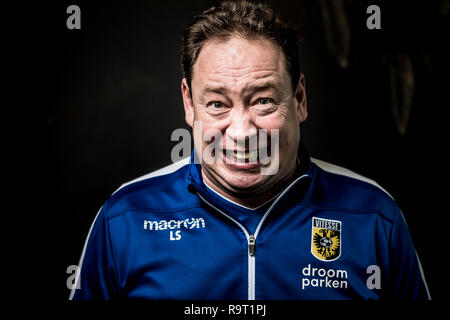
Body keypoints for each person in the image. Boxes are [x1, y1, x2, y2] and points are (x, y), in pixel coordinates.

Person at [69, 0, 430, 300]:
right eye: (217, 104)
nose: (242, 133)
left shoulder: (373, 216)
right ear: (189, 103)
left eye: (263, 101)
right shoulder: (125, 218)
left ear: (300, 99)